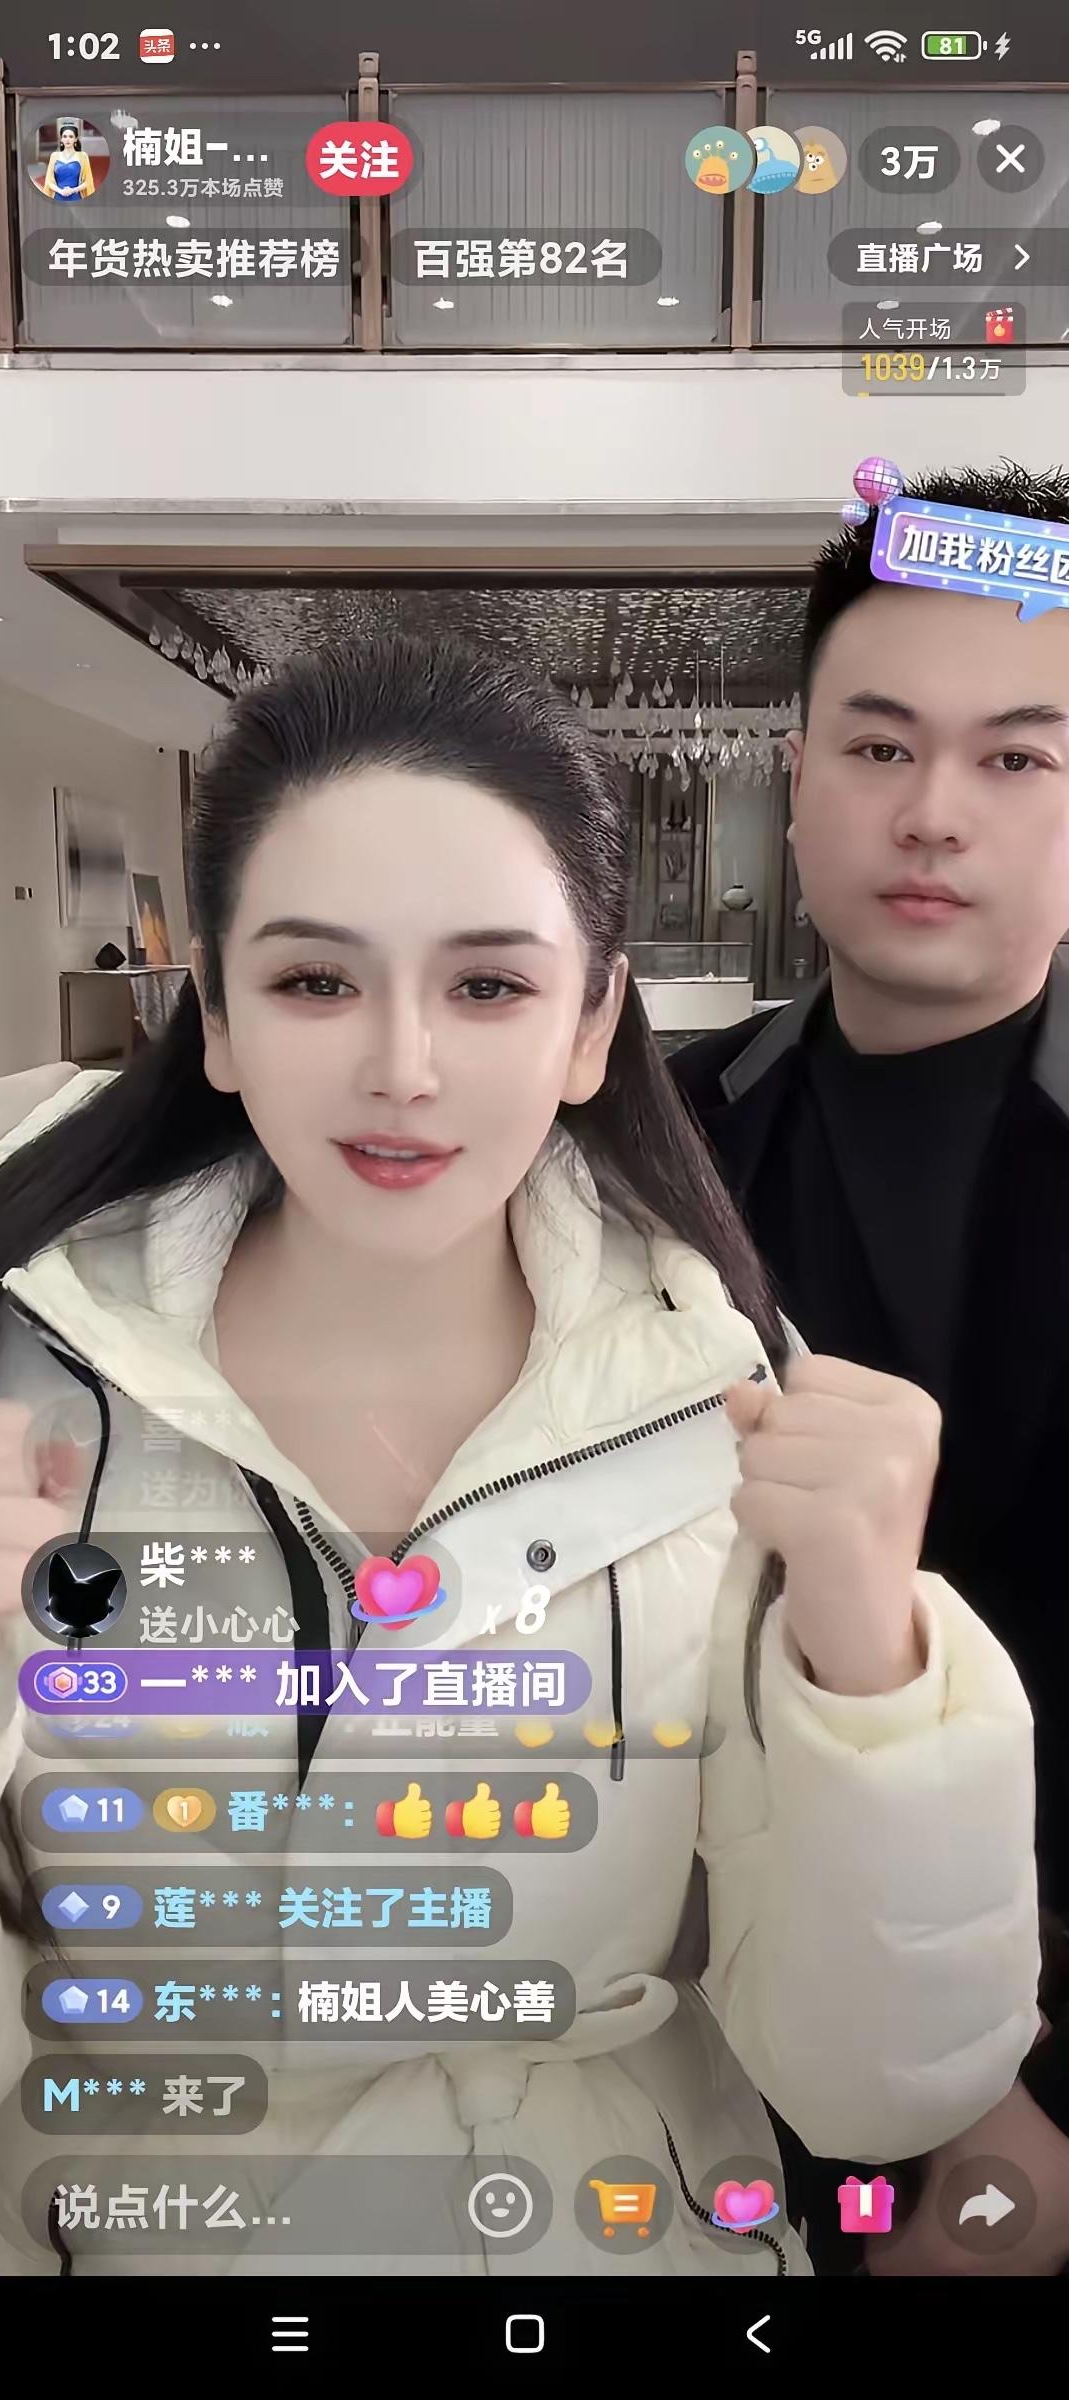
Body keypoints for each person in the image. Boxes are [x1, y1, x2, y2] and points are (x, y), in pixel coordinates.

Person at [0, 636, 1040, 2281]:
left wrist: (877, 1672)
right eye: (316, 981)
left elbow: (875, 2084)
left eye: (488, 986)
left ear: (591, 1024)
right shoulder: (24, 1393)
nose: (403, 1067)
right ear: (219, 1017)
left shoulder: (727, 1413)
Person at [672, 460, 1069, 2275]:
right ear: (801, 773)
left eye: (1017, 758)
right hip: (732, 2022)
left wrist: (1040, 2100)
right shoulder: (649, 1147)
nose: (933, 814)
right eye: (881, 744)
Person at [39, 123, 95, 203]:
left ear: (76, 139)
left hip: (76, 196)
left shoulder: (82, 156)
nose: (67, 139)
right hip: (57, 196)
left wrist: (73, 190)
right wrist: (60, 191)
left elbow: (88, 181)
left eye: (71, 136)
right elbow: (49, 181)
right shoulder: (54, 156)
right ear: (61, 139)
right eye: (65, 136)